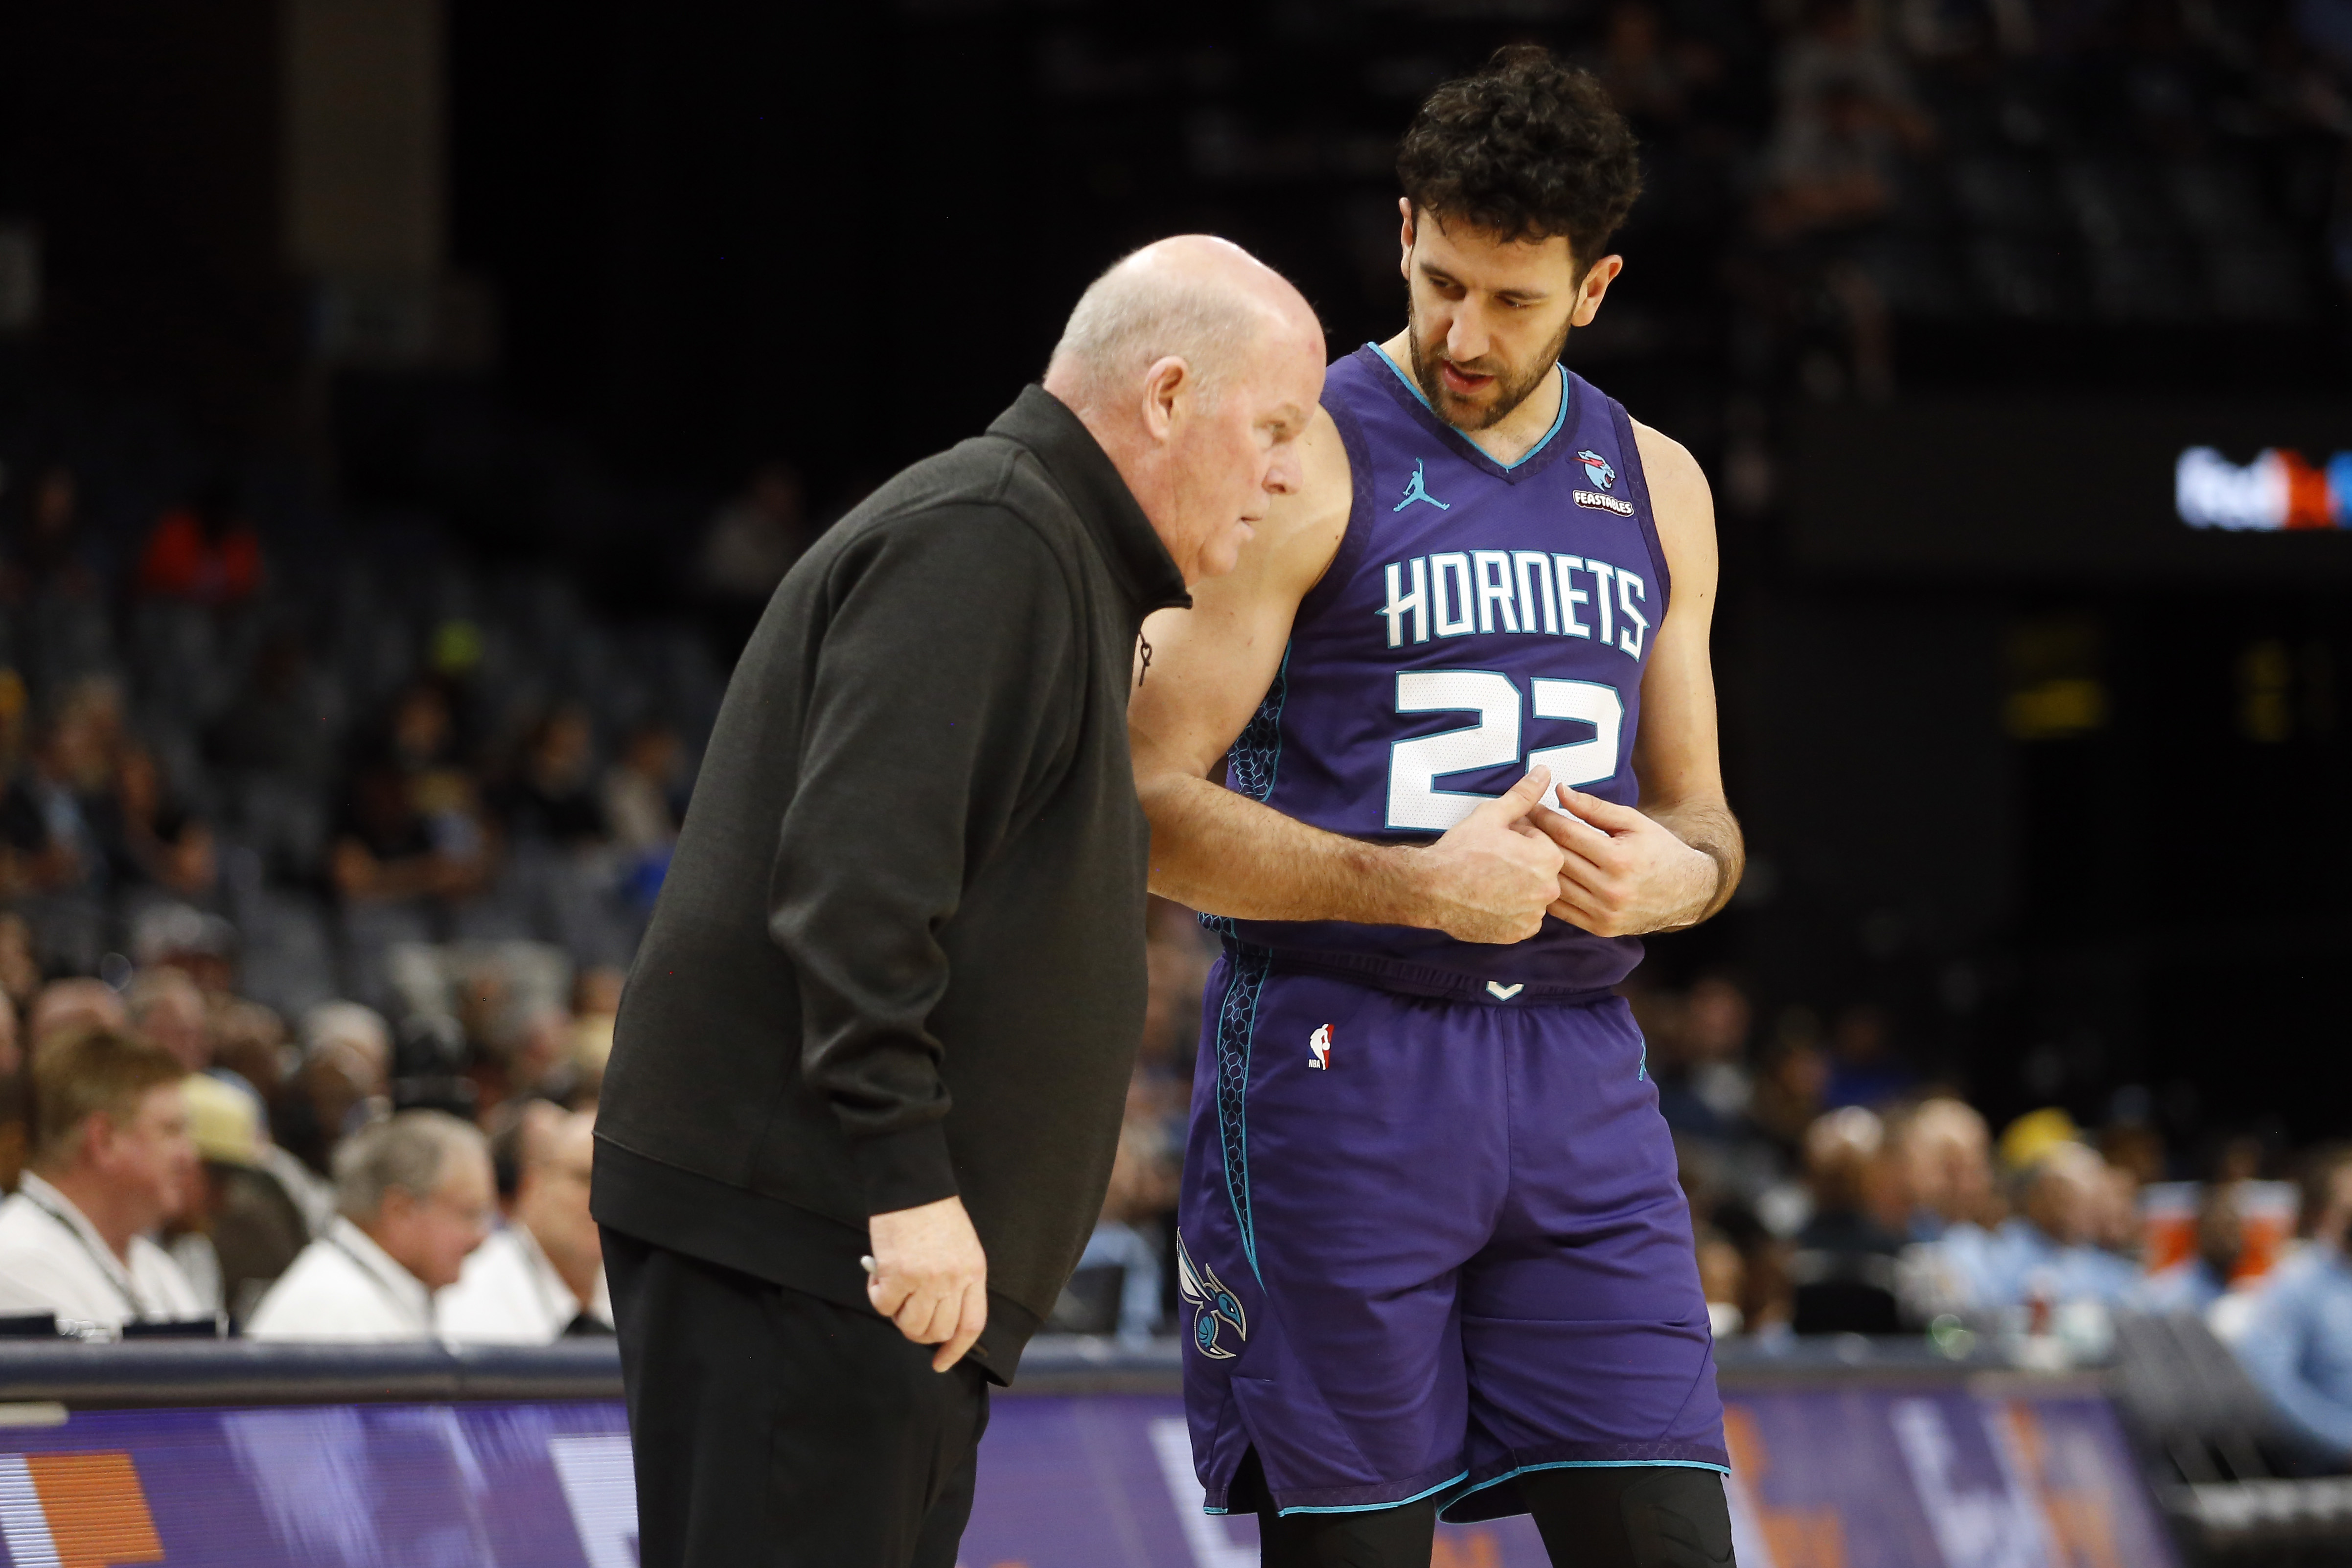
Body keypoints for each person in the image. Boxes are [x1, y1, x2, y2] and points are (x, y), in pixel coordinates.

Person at [591, 234, 1325, 1568]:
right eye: (1274, 426)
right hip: (821, 1239)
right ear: (1167, 395)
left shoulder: (1047, 554)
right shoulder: (991, 537)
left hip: (851, 1254)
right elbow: (853, 886)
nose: (1287, 472)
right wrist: (907, 1183)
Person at [1126, 48, 1742, 1561]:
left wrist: (1681, 881)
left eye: (1512, 300)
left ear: (1593, 288)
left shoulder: (1659, 483)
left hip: (1580, 1068)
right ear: (1402, 230)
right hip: (1343, 1055)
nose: (1464, 333)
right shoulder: (1295, 458)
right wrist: (1411, 886)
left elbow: (1707, 823)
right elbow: (1135, 804)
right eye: (1440, 279)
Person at [0, 1029, 204, 1335]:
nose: (189, 1156)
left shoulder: (151, 1263)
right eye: (171, 1130)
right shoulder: (19, 1262)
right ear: (104, 1140)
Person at [245, 1110, 494, 1340]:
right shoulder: (331, 1309)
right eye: (469, 1215)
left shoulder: (365, 1291)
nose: (481, 1238)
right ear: (400, 1212)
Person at [440, 1108, 609, 1340]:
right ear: (534, 1185)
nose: (605, 1200)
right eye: (584, 1179)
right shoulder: (470, 1287)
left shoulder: (645, 1292)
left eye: (619, 1187)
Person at [2234, 1149, 2352, 1464]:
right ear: (2324, 1213)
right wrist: (2344, 1440)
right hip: (2333, 1468)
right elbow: (2270, 1387)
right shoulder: (2295, 1285)